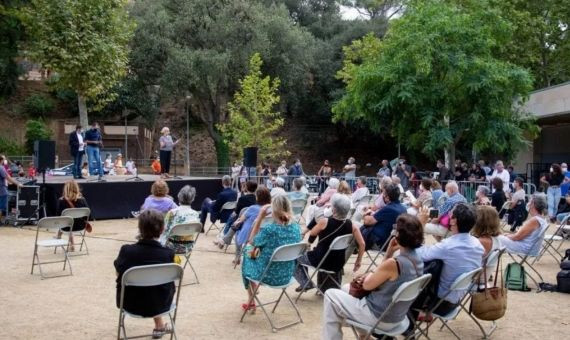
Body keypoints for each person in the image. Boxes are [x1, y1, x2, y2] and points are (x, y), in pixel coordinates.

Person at [322, 214, 425, 340]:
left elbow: (367, 285)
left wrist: (379, 265)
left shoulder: (394, 263)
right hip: (398, 317)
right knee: (344, 290)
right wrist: (389, 253)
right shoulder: (418, 260)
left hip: (379, 316)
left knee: (330, 295)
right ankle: (365, 336)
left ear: (398, 235)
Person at [114, 209, 176, 339]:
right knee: (154, 286)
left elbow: (118, 274)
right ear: (162, 229)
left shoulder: (126, 251)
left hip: (131, 304)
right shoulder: (168, 253)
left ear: (140, 228)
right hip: (162, 303)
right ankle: (159, 325)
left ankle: (159, 325)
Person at [414, 203, 484, 318]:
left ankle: (407, 324)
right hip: (455, 301)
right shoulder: (477, 244)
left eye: (450, 213)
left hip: (436, 303)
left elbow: (417, 254)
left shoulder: (448, 246)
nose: (447, 215)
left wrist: (420, 224)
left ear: (453, 221)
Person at [240, 195, 301, 312]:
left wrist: (260, 217)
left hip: (268, 275)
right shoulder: (296, 228)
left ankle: (251, 300)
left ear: (273, 211)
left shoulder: (270, 230)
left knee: (246, 251)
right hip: (287, 275)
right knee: (254, 253)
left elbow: (251, 241)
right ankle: (252, 294)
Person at [295, 194, 365, 292]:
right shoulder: (352, 225)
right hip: (338, 263)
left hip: (321, 260)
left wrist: (309, 243)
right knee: (324, 253)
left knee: (295, 257)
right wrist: (358, 261)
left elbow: (312, 234)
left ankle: (305, 283)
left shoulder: (325, 222)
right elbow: (362, 244)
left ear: (334, 209)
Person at [230, 186, 273, 265]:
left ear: (257, 197)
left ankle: (237, 257)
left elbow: (241, 219)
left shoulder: (252, 208)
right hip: (265, 234)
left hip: (251, 236)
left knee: (237, 231)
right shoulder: (272, 209)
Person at [361, 183, 406, 250]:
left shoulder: (388, 208)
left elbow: (367, 222)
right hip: (393, 241)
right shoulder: (403, 209)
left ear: (387, 197)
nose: (382, 196)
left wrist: (365, 214)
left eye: (383, 194)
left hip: (380, 243)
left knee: (355, 230)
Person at [214, 181, 258, 248]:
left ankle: (223, 239)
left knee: (231, 219)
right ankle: (223, 239)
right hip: (254, 220)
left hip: (243, 221)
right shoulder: (257, 199)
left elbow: (237, 212)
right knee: (232, 219)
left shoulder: (242, 199)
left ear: (246, 187)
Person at [159, 185, 200, 254]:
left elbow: (165, 231)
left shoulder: (172, 213)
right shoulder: (196, 214)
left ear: (179, 196)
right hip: (187, 248)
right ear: (193, 199)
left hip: (170, 248)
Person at [55, 180, 89, 251]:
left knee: (66, 222)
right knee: (71, 221)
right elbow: (89, 216)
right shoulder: (82, 200)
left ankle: (61, 237)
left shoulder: (61, 201)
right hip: (80, 226)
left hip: (66, 227)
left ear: (65, 189)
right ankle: (68, 241)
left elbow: (58, 216)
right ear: (77, 188)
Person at [0, 155, 23, 221]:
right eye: (4, 159)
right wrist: (18, 183)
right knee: (1, 208)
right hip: (1, 190)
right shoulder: (1, 168)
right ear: (1, 160)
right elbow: (8, 177)